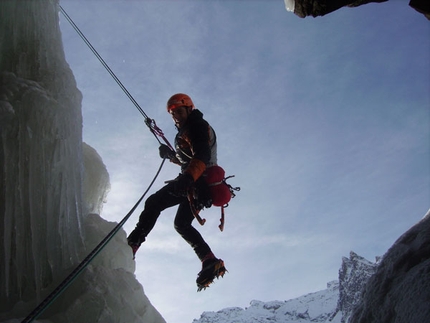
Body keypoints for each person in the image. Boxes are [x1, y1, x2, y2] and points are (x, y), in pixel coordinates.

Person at [127, 93, 226, 291]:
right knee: (181, 224)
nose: (176, 117)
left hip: (195, 183)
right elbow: (189, 159)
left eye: (179, 111)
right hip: (199, 186)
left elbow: (202, 156)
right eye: (173, 114)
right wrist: (171, 156)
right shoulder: (187, 131)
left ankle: (132, 245)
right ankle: (209, 260)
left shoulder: (197, 126)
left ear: (189, 109)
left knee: (154, 203)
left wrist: (188, 178)